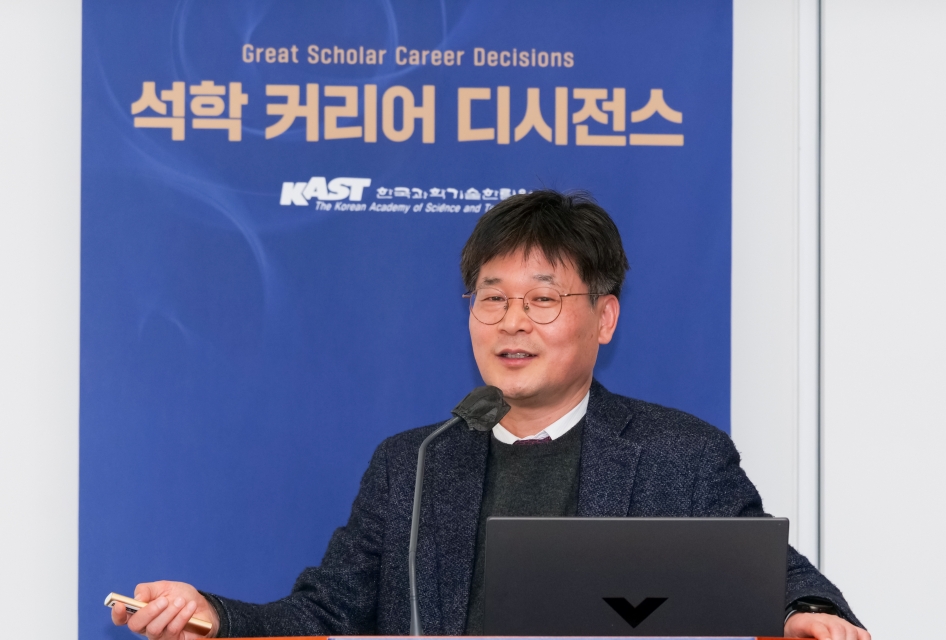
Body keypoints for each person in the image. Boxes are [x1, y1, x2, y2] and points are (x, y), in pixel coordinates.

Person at [112, 190, 870, 640]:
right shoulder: (416, 461)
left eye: (543, 299)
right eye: (492, 298)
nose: (512, 322)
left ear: (604, 318)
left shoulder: (679, 453)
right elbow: (326, 613)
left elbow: (777, 577)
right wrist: (214, 616)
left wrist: (804, 612)